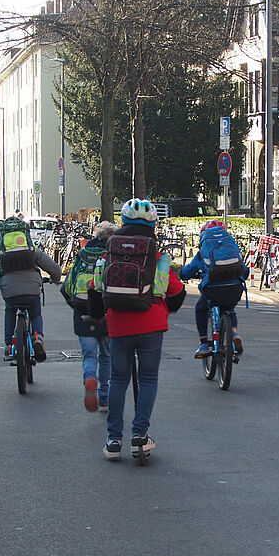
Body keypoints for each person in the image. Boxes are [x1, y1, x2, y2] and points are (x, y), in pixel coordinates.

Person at [88, 198, 186, 461]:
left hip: (119, 323)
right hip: (151, 323)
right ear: (153, 224)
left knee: (118, 380)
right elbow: (176, 293)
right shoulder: (156, 256)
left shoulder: (110, 252)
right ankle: (139, 437)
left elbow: (95, 289)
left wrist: (98, 316)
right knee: (148, 379)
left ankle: (113, 440)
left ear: (123, 222)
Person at [0, 217, 62, 361]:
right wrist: (54, 280)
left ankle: (8, 346)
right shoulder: (32, 250)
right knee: (35, 313)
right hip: (32, 289)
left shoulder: (0, 252)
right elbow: (55, 269)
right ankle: (37, 336)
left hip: (10, 291)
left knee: (10, 310)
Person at [61, 220, 118, 412]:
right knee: (107, 356)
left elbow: (67, 287)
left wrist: (77, 307)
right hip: (107, 312)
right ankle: (104, 398)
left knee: (89, 355)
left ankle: (89, 379)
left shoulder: (82, 255)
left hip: (83, 310)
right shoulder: (113, 257)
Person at [179, 219, 248, 359]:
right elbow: (244, 271)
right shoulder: (232, 250)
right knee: (229, 309)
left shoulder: (202, 253)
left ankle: (204, 343)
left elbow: (188, 272)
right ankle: (234, 333)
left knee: (200, 308)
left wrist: (181, 274)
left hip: (212, 290)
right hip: (234, 288)